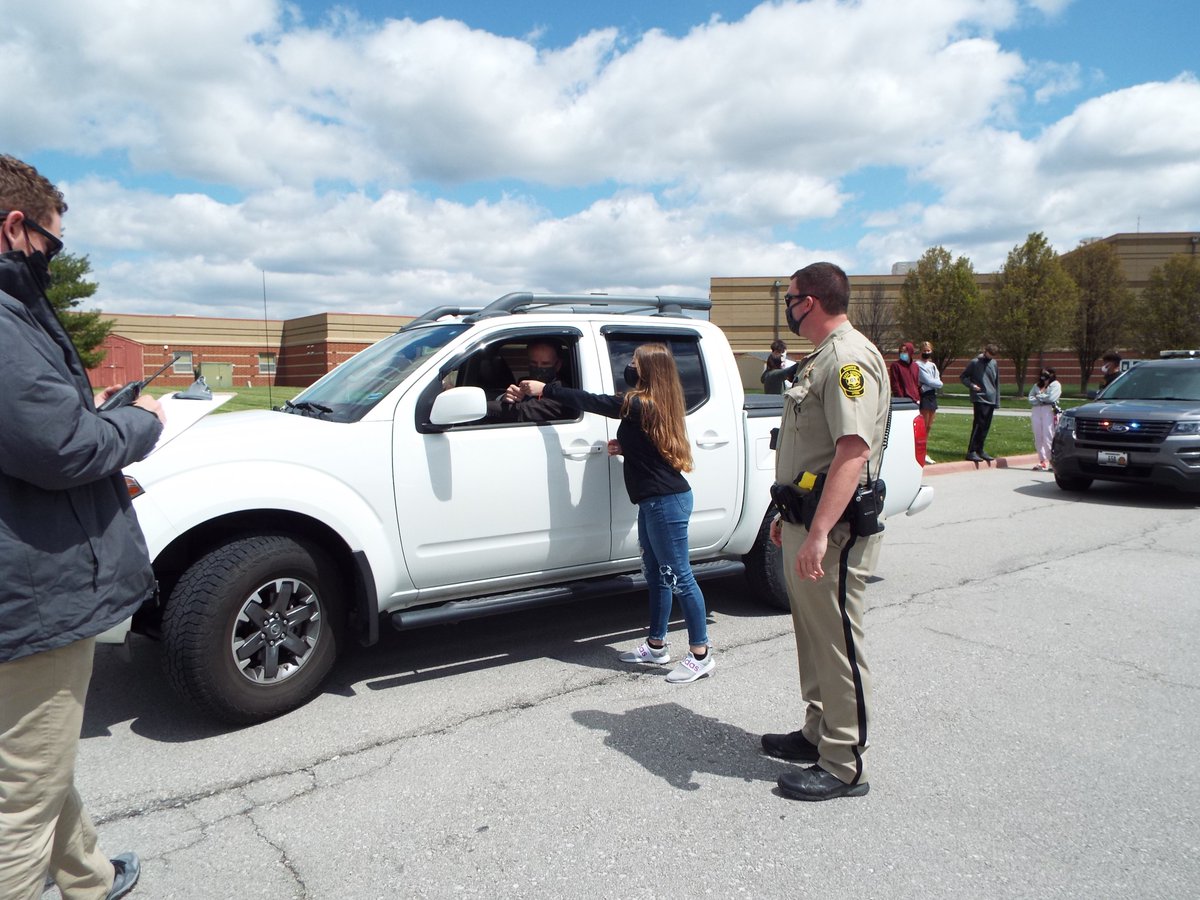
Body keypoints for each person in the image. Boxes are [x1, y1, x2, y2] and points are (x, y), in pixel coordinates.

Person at [0, 156, 164, 900]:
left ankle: (89, 880)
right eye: (51, 243)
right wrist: (139, 420)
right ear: (16, 227)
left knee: (29, 762)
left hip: (21, 583)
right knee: (20, 799)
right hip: (31, 591)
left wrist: (82, 411)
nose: (51, 258)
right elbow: (63, 450)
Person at [759, 262, 889, 801]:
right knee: (813, 635)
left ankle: (843, 761)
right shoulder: (821, 358)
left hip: (832, 531)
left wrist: (817, 533)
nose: (788, 307)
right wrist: (787, 519)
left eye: (790, 298)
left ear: (808, 301)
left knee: (836, 641)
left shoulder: (847, 359)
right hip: (805, 518)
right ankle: (818, 731)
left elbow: (852, 453)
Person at [520, 344, 714, 684]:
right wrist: (627, 448)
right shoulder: (651, 405)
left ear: (649, 370)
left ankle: (701, 654)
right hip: (654, 502)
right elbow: (652, 447)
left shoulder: (641, 404)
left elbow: (594, 401)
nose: (629, 367)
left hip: (666, 502)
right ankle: (656, 645)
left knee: (679, 577)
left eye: (635, 363)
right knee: (657, 575)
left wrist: (546, 389)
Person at [492, 339, 570, 422]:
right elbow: (510, 402)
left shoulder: (560, 392)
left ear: (558, 365)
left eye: (545, 364)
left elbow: (524, 411)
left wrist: (487, 407)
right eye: (533, 363)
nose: (538, 367)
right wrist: (505, 397)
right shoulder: (524, 382)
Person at [960, 344, 1000, 463]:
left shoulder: (994, 363)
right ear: (985, 351)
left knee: (985, 426)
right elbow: (963, 377)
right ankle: (971, 451)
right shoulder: (975, 362)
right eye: (989, 354)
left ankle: (980, 449)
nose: (991, 357)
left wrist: (997, 401)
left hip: (991, 398)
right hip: (980, 398)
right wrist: (972, 386)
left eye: (993, 355)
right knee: (978, 425)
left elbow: (996, 382)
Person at [1028, 367, 1062, 471]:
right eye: (1042, 374)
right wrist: (1043, 397)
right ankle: (1042, 461)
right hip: (1036, 410)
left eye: (1046, 374)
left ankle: (1052, 461)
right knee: (1038, 436)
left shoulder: (1055, 385)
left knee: (1048, 436)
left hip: (1049, 410)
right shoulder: (1036, 386)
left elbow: (1051, 398)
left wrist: (1038, 396)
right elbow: (1030, 398)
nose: (1044, 376)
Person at [915, 341, 942, 463]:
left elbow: (939, 382)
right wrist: (932, 383)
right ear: (920, 351)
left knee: (929, 426)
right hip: (924, 397)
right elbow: (928, 380)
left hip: (932, 396)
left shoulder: (933, 366)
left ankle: (924, 451)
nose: (927, 353)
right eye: (924, 351)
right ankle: (920, 451)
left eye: (928, 350)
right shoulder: (918, 365)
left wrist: (931, 383)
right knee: (923, 426)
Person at [887, 340, 921, 404]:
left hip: (916, 400)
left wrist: (918, 397)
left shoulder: (915, 366)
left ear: (910, 352)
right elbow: (895, 384)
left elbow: (916, 383)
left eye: (905, 352)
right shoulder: (896, 365)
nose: (902, 353)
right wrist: (900, 398)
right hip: (903, 400)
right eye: (901, 352)